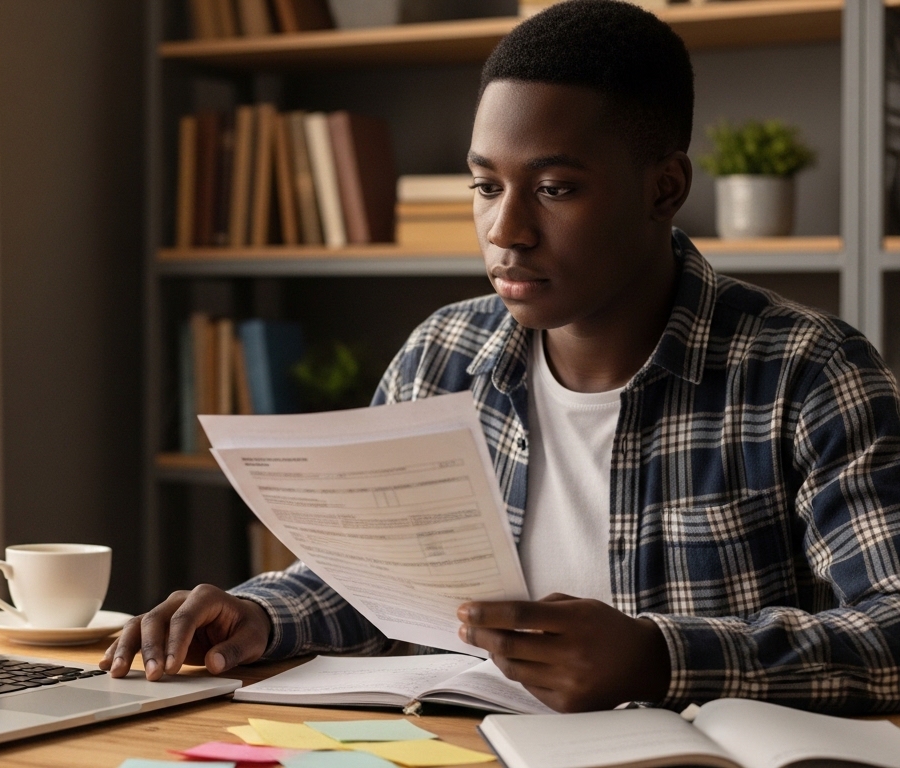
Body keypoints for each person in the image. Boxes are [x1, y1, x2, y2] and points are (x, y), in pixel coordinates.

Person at [102, 0, 900, 714]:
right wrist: (262, 614)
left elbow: (892, 628)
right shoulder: (442, 355)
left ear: (665, 189)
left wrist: (659, 659)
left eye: (554, 189)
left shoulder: (809, 373)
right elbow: (376, 584)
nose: (506, 230)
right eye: (487, 187)